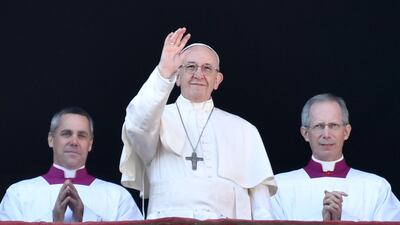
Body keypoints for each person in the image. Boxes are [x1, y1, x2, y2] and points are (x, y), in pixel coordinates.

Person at [119, 27, 276, 220]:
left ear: (217, 80)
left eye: (207, 68)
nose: (198, 74)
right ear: (177, 76)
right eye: (190, 67)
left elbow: (262, 209)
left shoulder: (245, 130)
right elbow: (136, 125)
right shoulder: (156, 119)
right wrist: (163, 72)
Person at [271, 93, 400, 221]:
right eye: (319, 126)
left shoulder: (376, 187)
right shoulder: (279, 187)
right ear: (305, 133)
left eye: (333, 126)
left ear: (346, 132)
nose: (326, 134)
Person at [0, 107, 143, 222]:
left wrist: (84, 217)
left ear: (90, 144)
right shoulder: (18, 193)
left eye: (81, 135)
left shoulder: (117, 196)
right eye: (66, 134)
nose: (74, 142)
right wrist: (53, 220)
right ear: (51, 139)